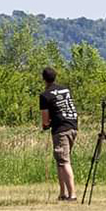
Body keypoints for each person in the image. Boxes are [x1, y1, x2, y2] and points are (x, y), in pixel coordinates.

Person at [39, 67, 79, 201]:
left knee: (63, 161)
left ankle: (72, 195)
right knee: (60, 161)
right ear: (55, 77)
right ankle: (62, 193)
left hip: (61, 130)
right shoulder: (65, 90)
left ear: (43, 79)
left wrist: (46, 126)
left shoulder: (45, 95)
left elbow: (45, 120)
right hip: (73, 126)